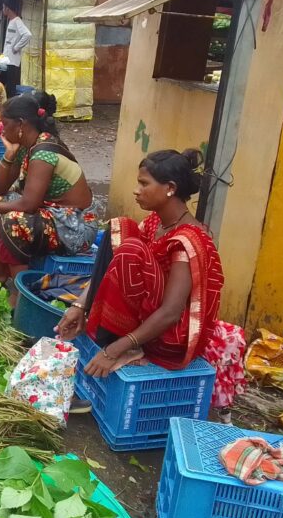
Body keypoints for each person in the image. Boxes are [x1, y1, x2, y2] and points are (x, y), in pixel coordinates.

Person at [56, 149, 233, 384]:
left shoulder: (188, 240)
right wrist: (79, 305)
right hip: (146, 317)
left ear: (170, 188)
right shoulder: (155, 223)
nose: (136, 190)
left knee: (131, 249)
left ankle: (124, 344)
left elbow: (171, 312)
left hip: (168, 336)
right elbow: (114, 265)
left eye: (144, 184)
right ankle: (110, 332)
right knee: (121, 229)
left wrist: (115, 349)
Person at [0, 92, 96, 286]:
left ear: (21, 124)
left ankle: (20, 289)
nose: (2, 130)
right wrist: (9, 154)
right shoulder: (25, 147)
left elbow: (29, 204)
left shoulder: (43, 152)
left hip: (74, 224)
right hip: (49, 212)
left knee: (14, 221)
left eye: (5, 124)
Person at [1, 0, 31, 98]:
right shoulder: (11, 21)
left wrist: (16, 47)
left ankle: (11, 104)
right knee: (2, 84)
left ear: (7, 8)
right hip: (7, 59)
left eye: (3, 7)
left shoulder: (17, 21)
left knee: (10, 87)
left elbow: (27, 35)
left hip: (13, 61)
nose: (3, 10)